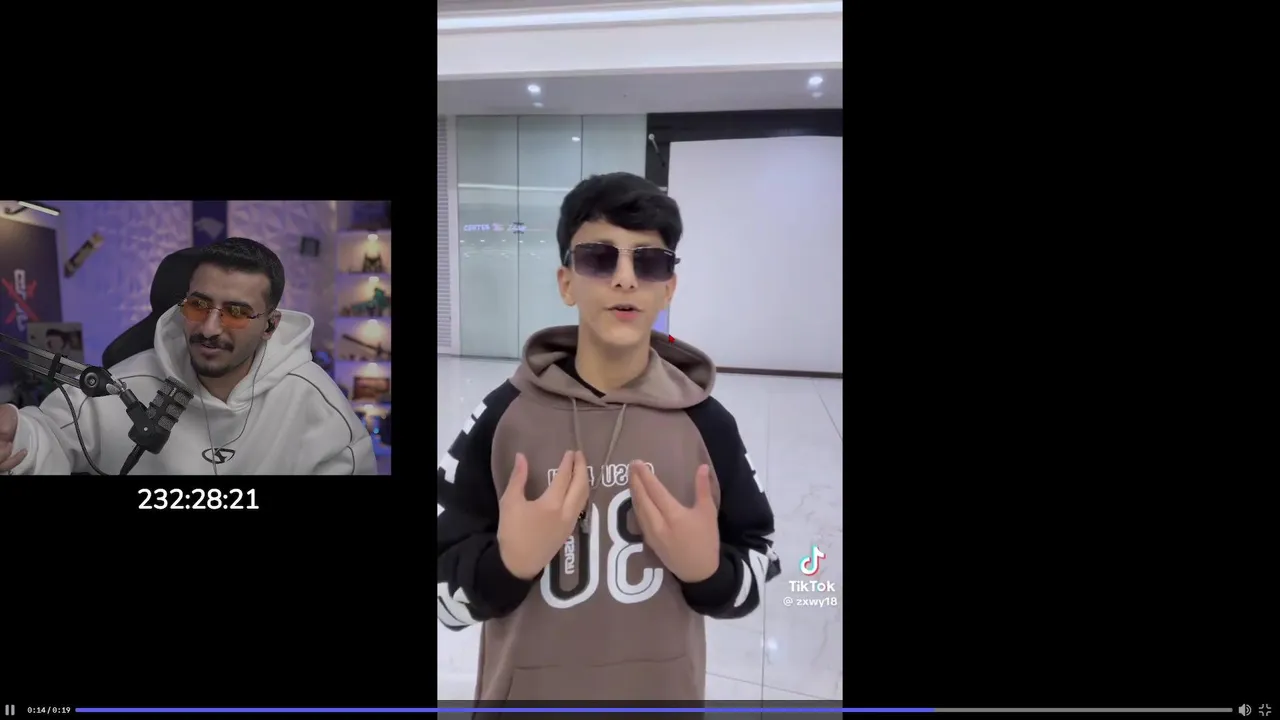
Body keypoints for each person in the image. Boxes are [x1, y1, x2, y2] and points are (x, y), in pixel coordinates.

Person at [436, 172, 781, 702]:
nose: (624, 279)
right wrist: (506, 565)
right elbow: (443, 592)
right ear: (566, 282)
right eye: (599, 258)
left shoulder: (708, 425)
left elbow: (759, 555)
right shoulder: (502, 419)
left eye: (649, 262)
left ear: (668, 287)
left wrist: (709, 571)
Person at [0, 237, 376, 475]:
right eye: (199, 305)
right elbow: (49, 433)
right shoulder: (126, 382)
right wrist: (18, 435)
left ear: (270, 325)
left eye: (236, 312)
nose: (210, 328)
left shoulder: (318, 406)